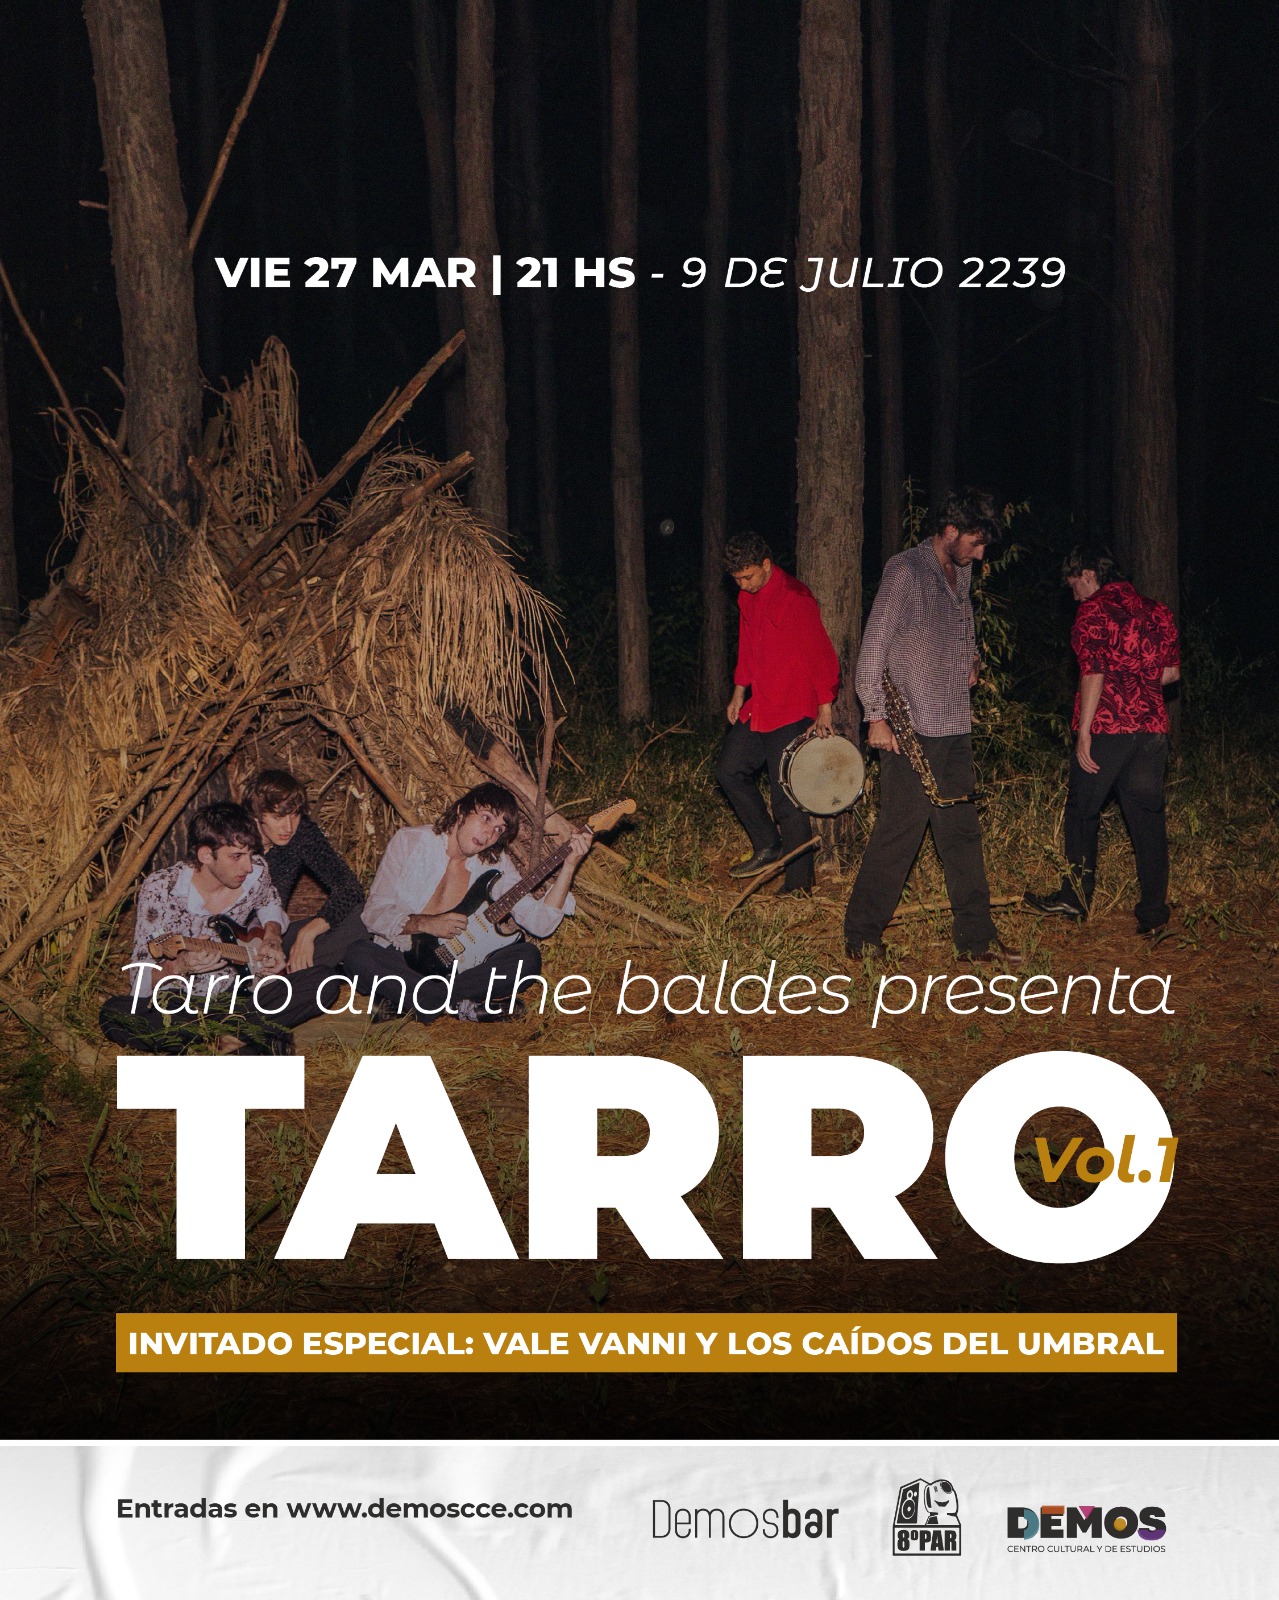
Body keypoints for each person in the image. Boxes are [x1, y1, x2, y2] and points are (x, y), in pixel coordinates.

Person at [844, 489, 1013, 962]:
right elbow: (873, 649)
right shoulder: (906, 571)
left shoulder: (962, 571)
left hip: (953, 721)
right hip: (910, 726)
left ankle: (976, 941)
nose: (981, 554)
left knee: (961, 832)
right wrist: (875, 716)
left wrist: (971, 658)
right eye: (976, 543)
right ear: (950, 531)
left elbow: (965, 627)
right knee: (900, 831)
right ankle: (861, 935)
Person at [1025, 545, 1180, 935]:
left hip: (1108, 727)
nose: (1073, 593)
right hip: (1151, 728)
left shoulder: (1093, 611)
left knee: (1082, 810)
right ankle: (1153, 916)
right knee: (1147, 819)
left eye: (1073, 583)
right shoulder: (1157, 611)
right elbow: (1171, 674)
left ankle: (1073, 899)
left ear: (1089, 574)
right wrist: (1138, 682)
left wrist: (1084, 732)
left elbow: (1093, 672)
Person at [345, 781, 589, 1022]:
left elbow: (540, 924)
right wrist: (424, 923)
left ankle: (421, 1000)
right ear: (462, 811)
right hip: (402, 957)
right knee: (357, 954)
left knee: (527, 958)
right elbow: (373, 913)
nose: (489, 834)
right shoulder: (409, 841)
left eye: (499, 829)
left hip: (461, 969)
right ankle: (457, 1004)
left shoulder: (496, 865)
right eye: (486, 818)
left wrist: (569, 866)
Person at [99, 802, 333, 1053]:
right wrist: (179, 966)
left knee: (324, 982)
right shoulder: (161, 890)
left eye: (250, 854)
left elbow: (270, 902)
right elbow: (140, 978)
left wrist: (272, 939)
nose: (248, 866)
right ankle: (243, 1037)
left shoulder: (256, 873)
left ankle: (219, 1038)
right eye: (236, 857)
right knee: (114, 1013)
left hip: (239, 996)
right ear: (205, 855)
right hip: (182, 1004)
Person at [713, 531, 840, 896]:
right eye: (737, 579)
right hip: (762, 705)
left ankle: (799, 883)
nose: (743, 584)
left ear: (766, 565)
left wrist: (825, 708)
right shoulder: (746, 598)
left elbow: (821, 655)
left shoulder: (796, 598)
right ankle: (769, 844)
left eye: (748, 576)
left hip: (794, 707)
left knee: (786, 796)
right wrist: (739, 692)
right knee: (729, 770)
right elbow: (748, 649)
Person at [242, 767, 367, 971]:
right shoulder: (234, 839)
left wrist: (307, 933)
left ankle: (290, 970)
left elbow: (349, 888)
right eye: (278, 817)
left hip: (278, 938)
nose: (288, 827)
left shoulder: (301, 834)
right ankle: (292, 976)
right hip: (235, 942)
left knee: (362, 917)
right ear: (255, 815)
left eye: (295, 815)